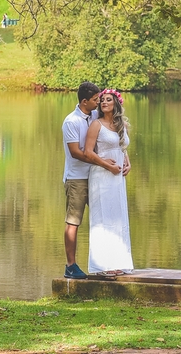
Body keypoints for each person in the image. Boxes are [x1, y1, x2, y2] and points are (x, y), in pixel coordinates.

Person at [62, 81, 120, 279]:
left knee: (102, 219)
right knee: (73, 222)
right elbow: (76, 153)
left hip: (97, 177)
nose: (98, 102)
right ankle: (71, 266)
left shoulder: (94, 115)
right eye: (95, 100)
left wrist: (123, 158)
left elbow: (113, 130)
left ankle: (106, 262)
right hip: (77, 178)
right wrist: (105, 163)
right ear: (84, 101)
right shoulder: (71, 122)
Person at [84, 88, 134, 274]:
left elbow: (122, 147)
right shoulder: (96, 125)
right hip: (101, 176)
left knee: (117, 217)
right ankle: (103, 265)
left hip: (117, 178)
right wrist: (107, 165)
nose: (104, 102)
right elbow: (88, 152)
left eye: (108, 100)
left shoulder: (122, 126)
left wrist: (127, 163)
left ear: (116, 104)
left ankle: (118, 261)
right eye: (102, 100)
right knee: (102, 218)